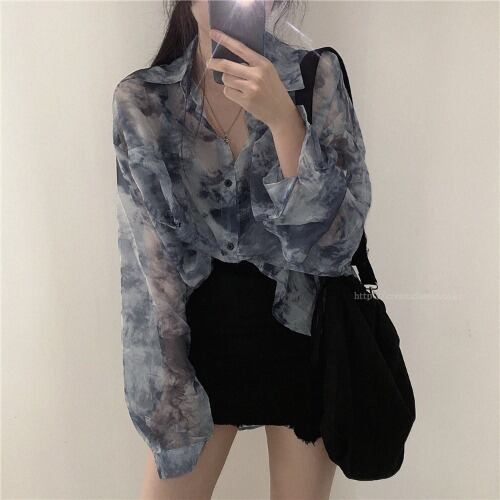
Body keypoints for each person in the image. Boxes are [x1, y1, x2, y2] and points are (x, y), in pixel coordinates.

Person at [112, 0, 371, 498]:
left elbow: (336, 249)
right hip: (199, 351)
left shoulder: (315, 77)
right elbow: (149, 273)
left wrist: (284, 121)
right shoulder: (143, 101)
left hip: (305, 340)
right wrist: (167, 397)